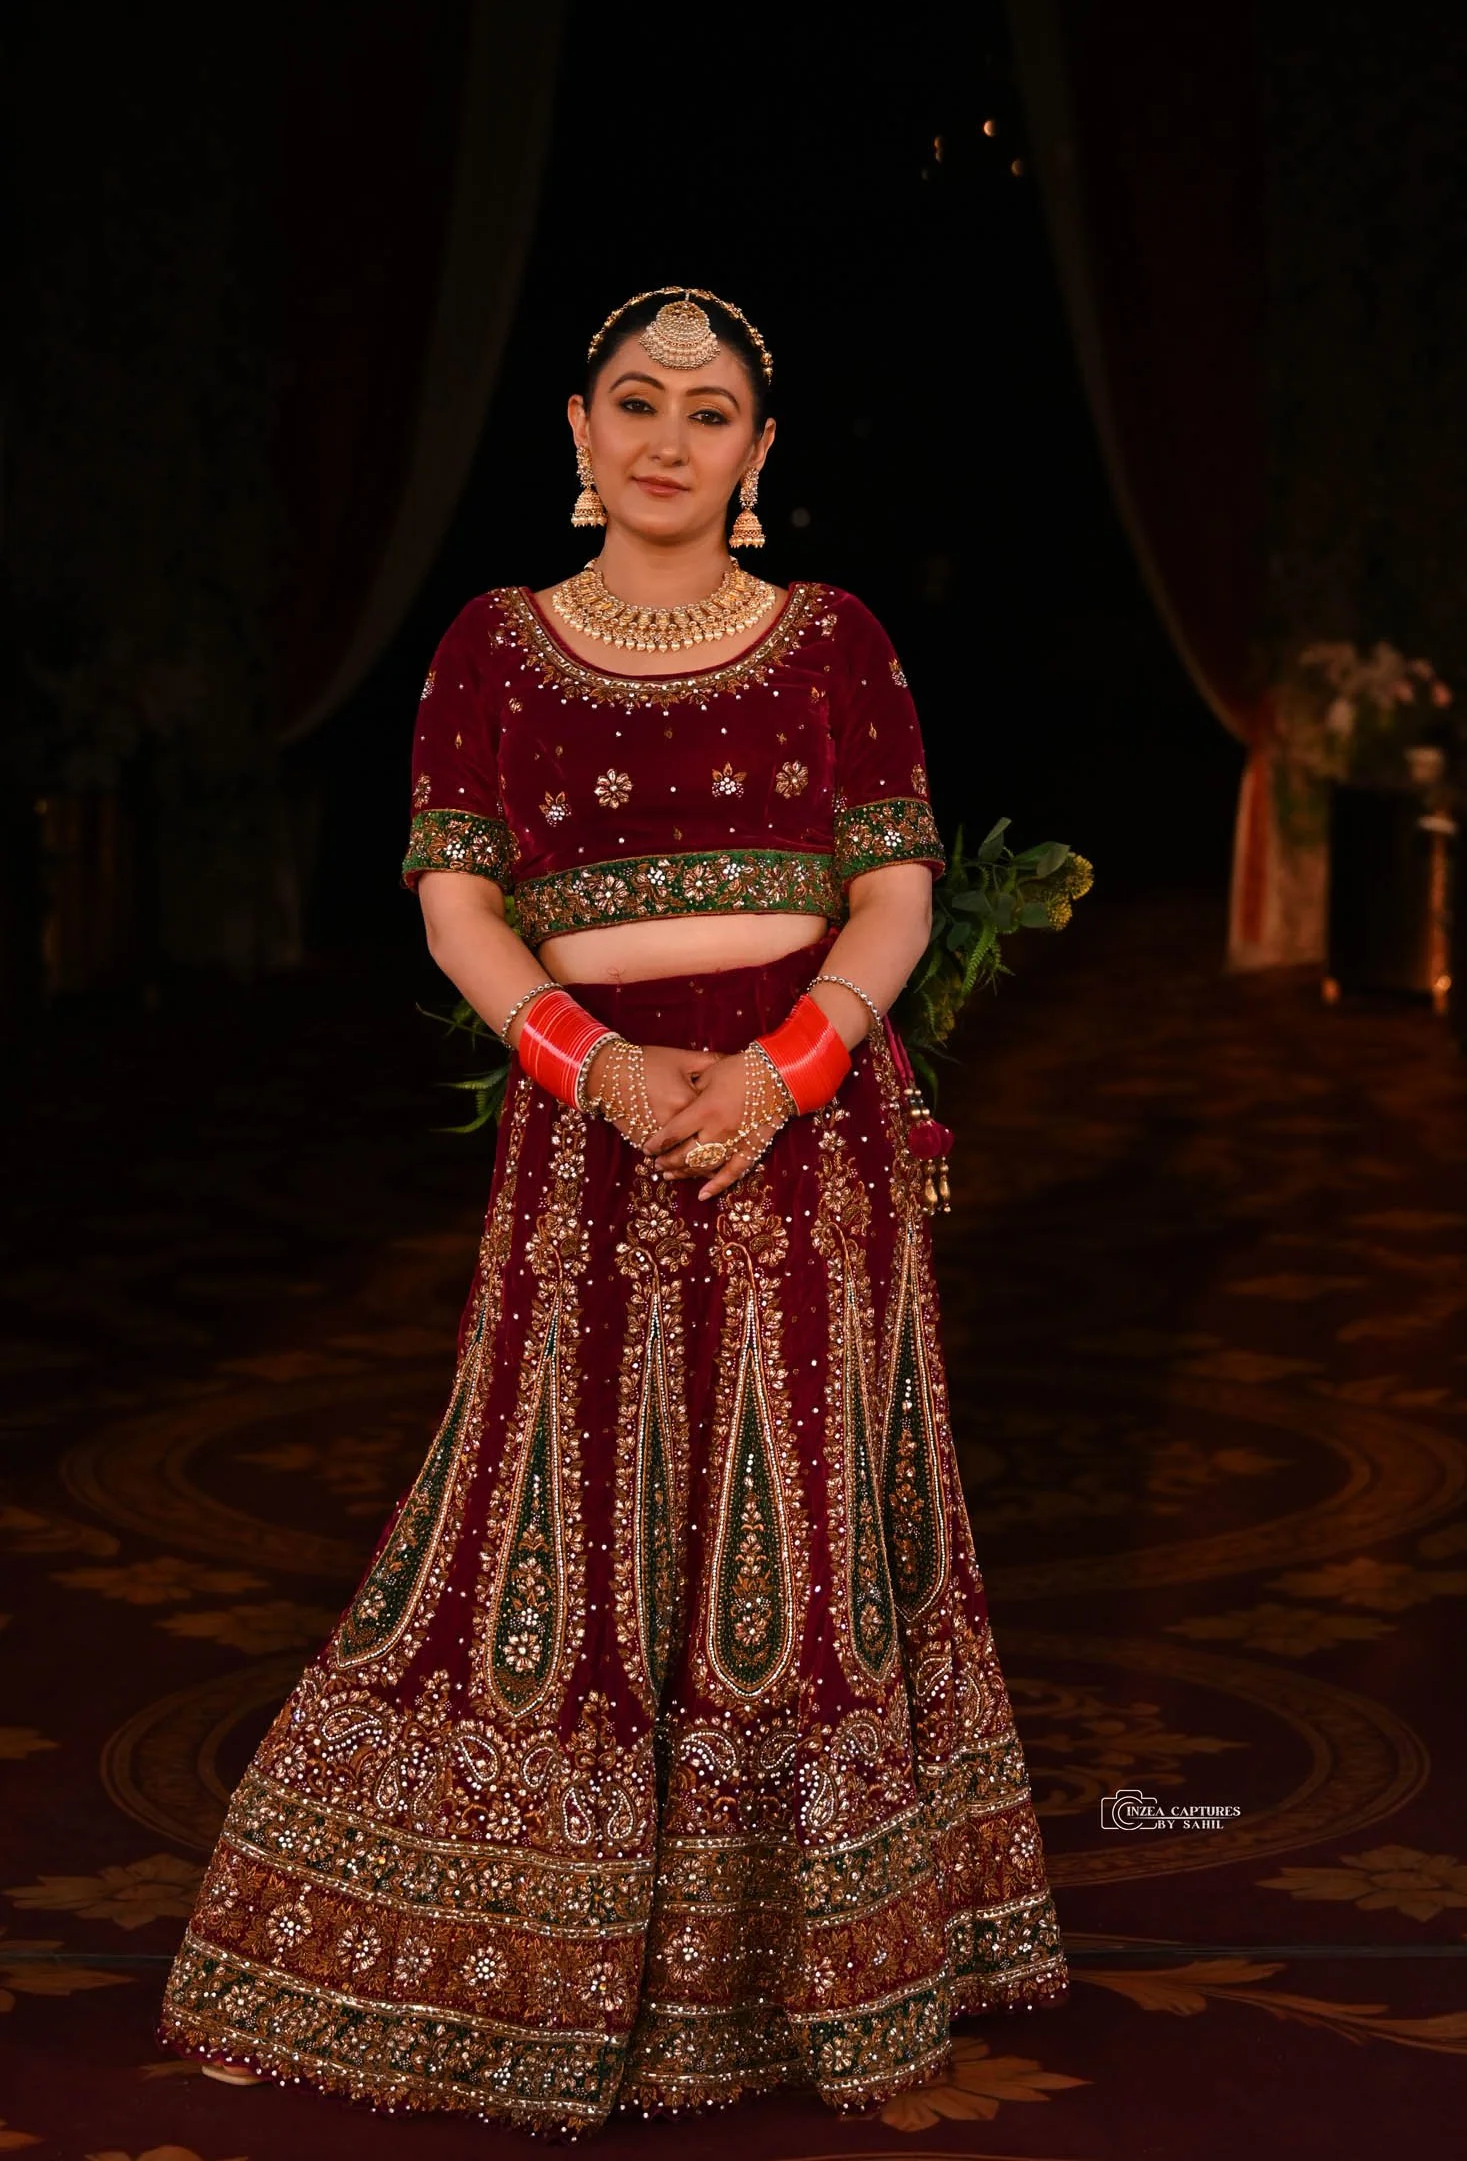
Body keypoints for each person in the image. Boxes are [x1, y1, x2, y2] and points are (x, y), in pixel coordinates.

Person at [159, 286, 1069, 2134]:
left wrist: (789, 1069)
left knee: (808, 1520)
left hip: (808, 1137)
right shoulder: (492, 649)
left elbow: (889, 893)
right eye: (635, 403)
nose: (668, 438)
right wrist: (596, 1065)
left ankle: (805, 1965)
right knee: (559, 1509)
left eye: (711, 411)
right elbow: (457, 906)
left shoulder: (836, 641)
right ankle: (540, 1946)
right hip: (589, 1134)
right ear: (576, 433)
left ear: (758, 457)